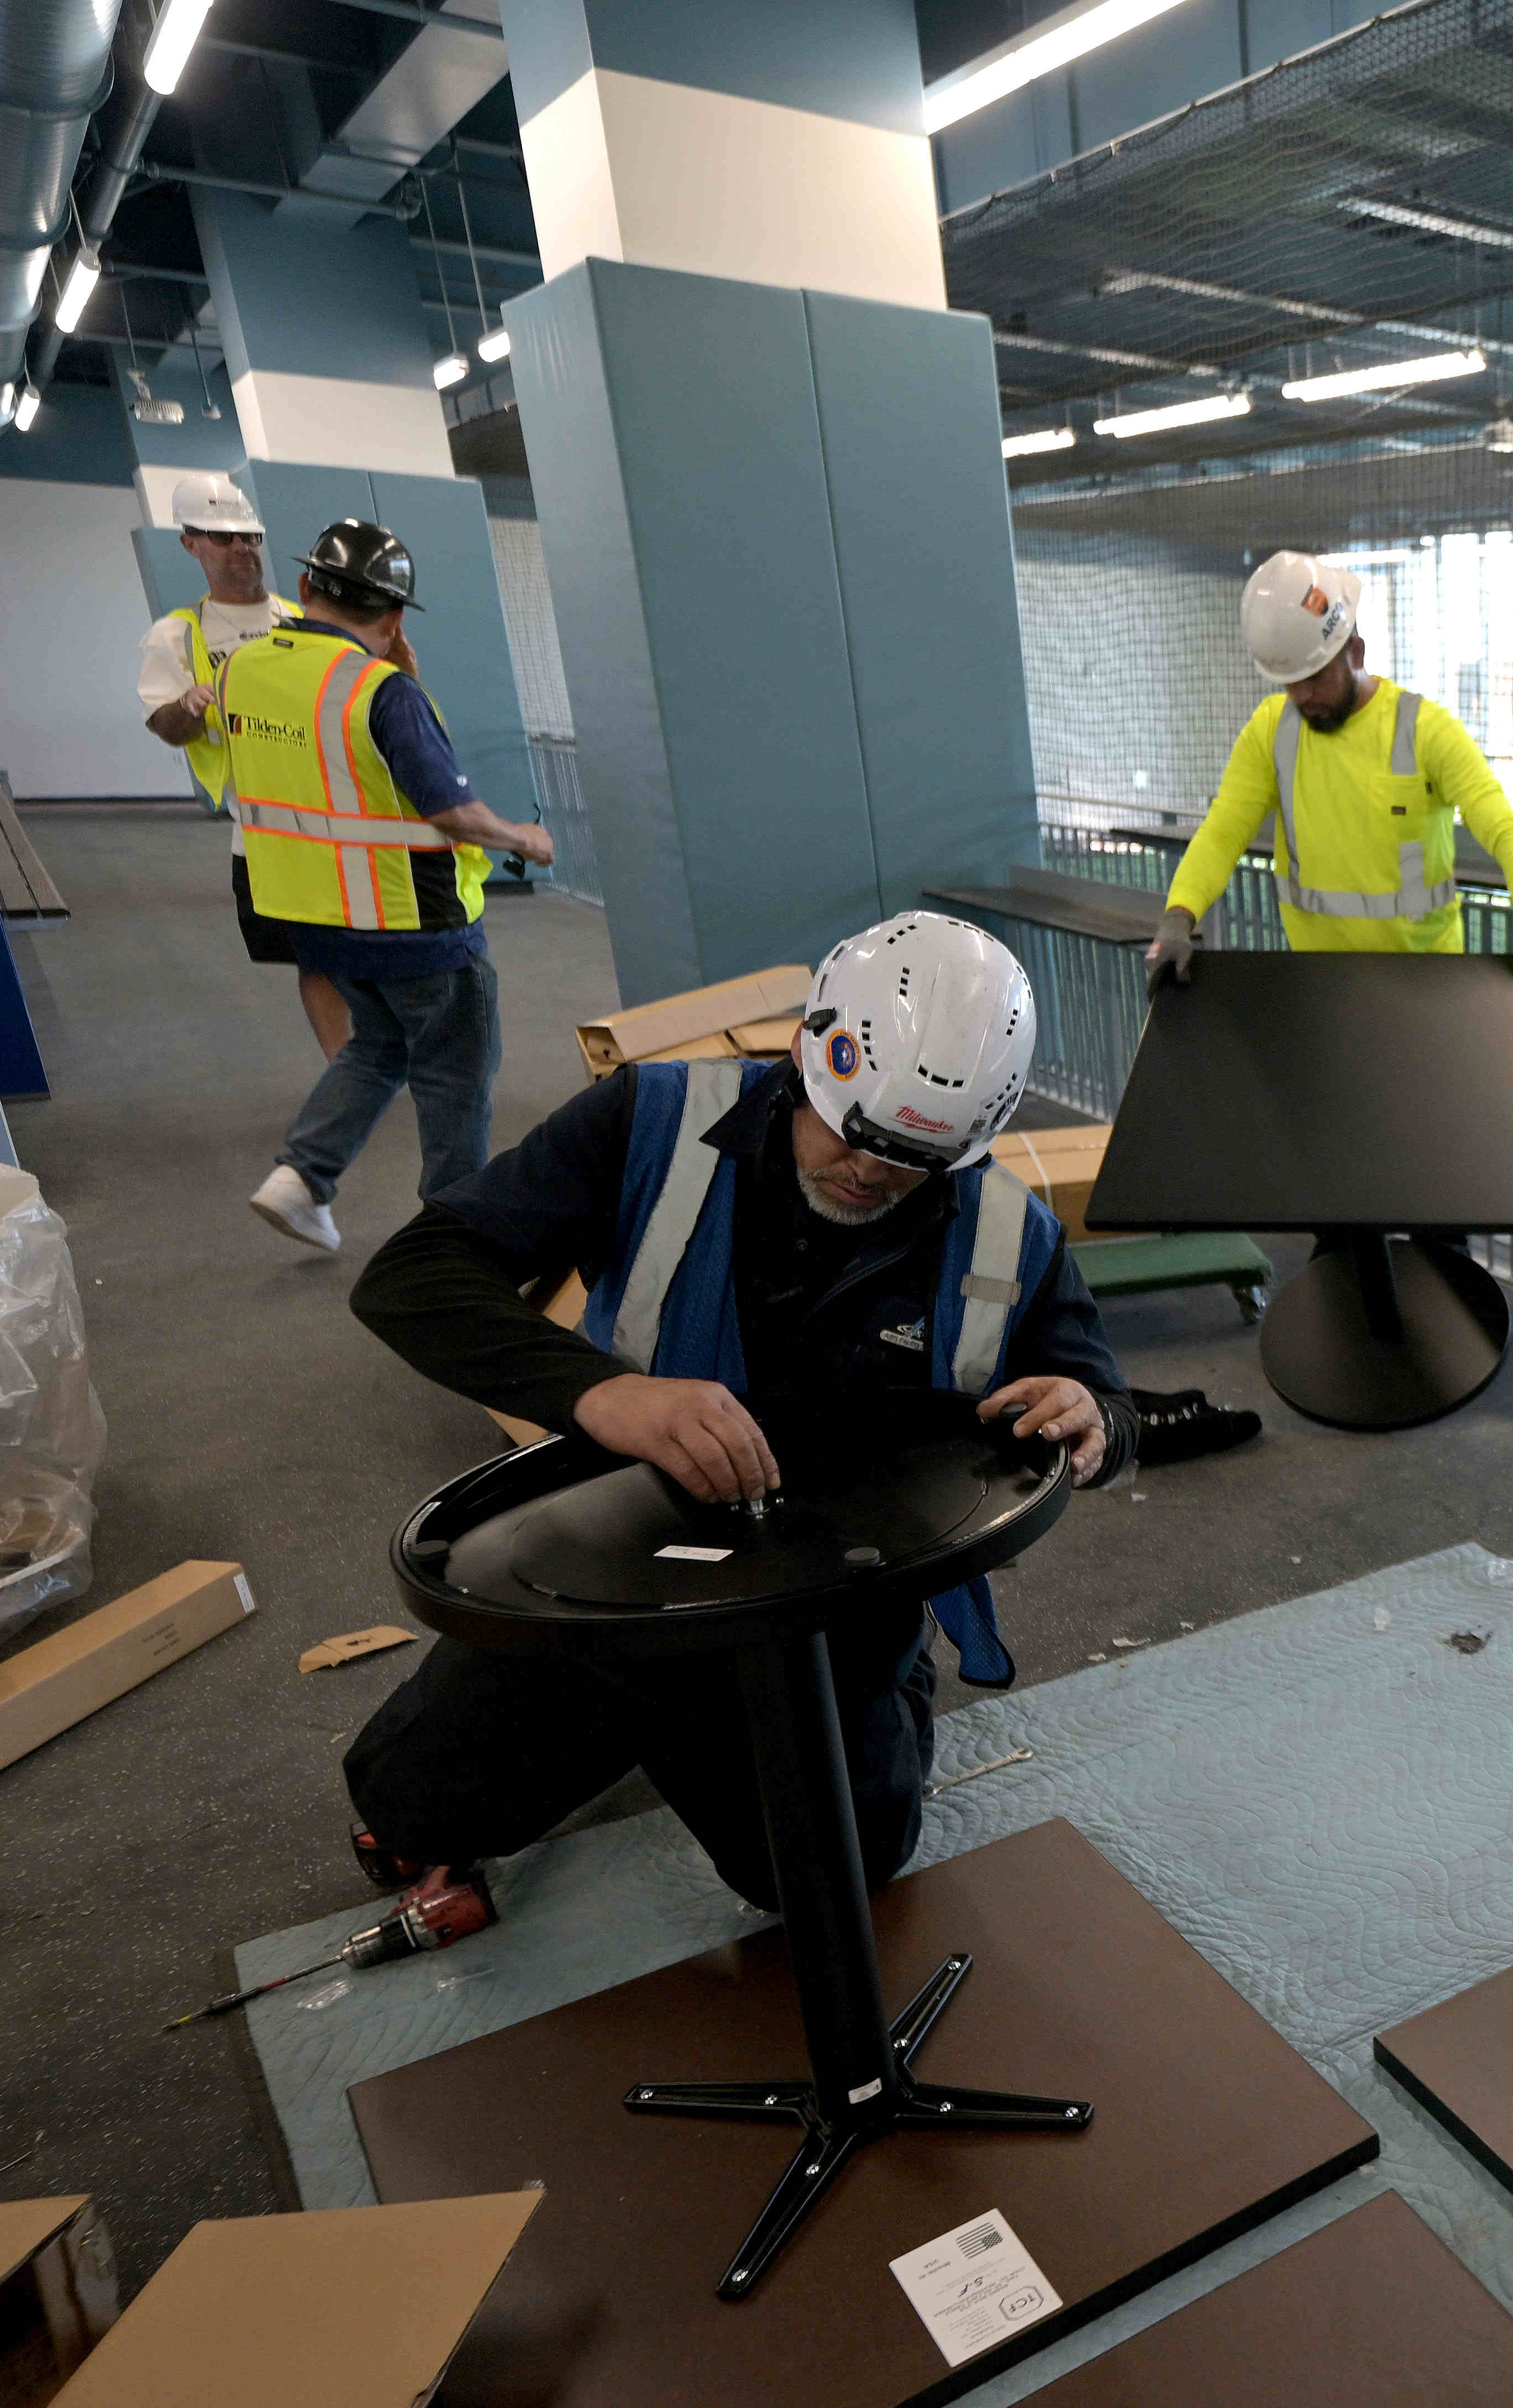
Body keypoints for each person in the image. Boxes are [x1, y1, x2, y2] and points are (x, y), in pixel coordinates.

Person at [338, 910, 1129, 1918]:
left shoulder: (1011, 1230)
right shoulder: (651, 1120)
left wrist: (1093, 1415)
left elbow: (1099, 1399)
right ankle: (644, 1713)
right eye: (854, 1135)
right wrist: (603, 1392)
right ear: (809, 1052)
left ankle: (738, 1717)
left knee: (835, 1872)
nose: (869, 1174)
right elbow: (410, 1278)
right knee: (411, 1809)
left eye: (911, 1163)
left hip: (842, 1595)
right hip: (632, 1543)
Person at [227, 518, 555, 1254]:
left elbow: (333, 772)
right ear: (396, 616)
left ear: (306, 588)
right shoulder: (382, 693)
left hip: (318, 919)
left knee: (377, 1049)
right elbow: (451, 811)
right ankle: (457, 1240)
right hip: (416, 926)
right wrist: (524, 838)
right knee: (456, 1081)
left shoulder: (241, 670)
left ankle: (303, 1177)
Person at [1143, 551, 1513, 997]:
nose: (1304, 696)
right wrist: (1177, 920)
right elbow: (1222, 832)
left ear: (1356, 653)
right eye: (1291, 683)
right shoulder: (1272, 731)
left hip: (1426, 990)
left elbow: (1506, 831)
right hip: (1321, 990)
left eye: (1317, 677)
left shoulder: (1426, 731)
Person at [134, 476, 340, 1059]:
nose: (242, 548)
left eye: (250, 536)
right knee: (313, 956)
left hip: (337, 814)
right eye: (224, 538)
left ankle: (375, 1056)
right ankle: (344, 1067)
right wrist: (191, 705)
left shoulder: (304, 621)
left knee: (374, 946)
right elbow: (166, 727)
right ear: (190, 543)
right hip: (265, 831)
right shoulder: (178, 635)